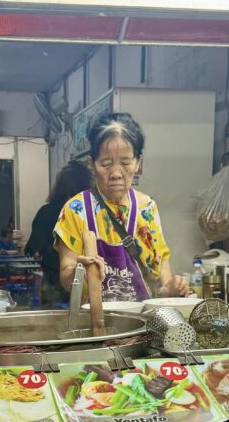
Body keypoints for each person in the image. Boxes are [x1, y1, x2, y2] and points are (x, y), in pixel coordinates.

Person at [55, 112, 190, 301]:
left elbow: (161, 271)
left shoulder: (147, 208)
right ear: (92, 165)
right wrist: (79, 272)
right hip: (96, 323)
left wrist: (173, 288)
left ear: (138, 164)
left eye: (125, 163)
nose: (116, 173)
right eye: (106, 164)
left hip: (144, 323)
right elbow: (66, 275)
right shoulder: (76, 210)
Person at [25, 159, 91, 304]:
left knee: (56, 324)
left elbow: (31, 249)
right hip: (89, 287)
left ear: (59, 187)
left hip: (54, 286)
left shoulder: (46, 213)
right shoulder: (92, 213)